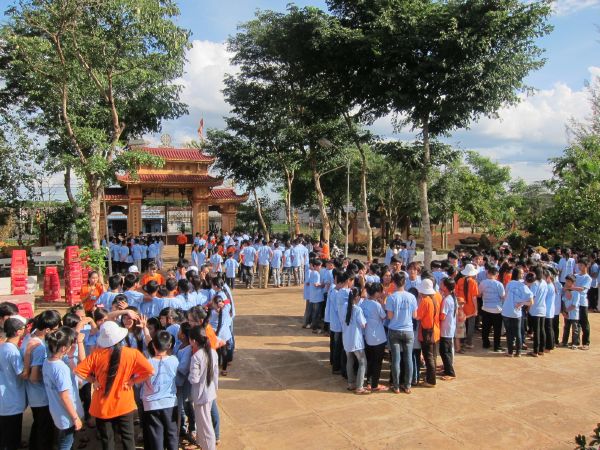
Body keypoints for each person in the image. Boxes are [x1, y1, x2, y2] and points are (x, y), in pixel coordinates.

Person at [75, 321, 154, 450]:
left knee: (107, 440)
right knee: (128, 438)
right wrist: (133, 381)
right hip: (124, 402)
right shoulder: (132, 353)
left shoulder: (96, 355)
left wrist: (93, 380)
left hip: (102, 405)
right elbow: (150, 371)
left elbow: (79, 371)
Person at [42, 328, 83, 450]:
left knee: (64, 440)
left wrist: (70, 357)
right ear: (64, 348)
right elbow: (65, 396)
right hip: (67, 415)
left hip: (57, 411)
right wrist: (75, 418)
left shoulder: (47, 362)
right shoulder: (61, 368)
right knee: (66, 444)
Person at [141, 331, 179, 450]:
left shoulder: (147, 363)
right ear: (169, 345)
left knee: (156, 437)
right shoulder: (174, 360)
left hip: (151, 405)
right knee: (172, 435)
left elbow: (138, 383)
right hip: (170, 403)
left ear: (153, 345)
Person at [385, 272, 417, 394]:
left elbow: (389, 316)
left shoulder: (391, 297)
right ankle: (408, 385)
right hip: (408, 330)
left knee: (396, 359)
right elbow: (415, 315)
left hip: (394, 330)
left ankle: (396, 386)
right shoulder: (412, 297)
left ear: (394, 282)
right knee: (408, 358)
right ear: (405, 282)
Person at [188, 326, 219, 450]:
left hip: (201, 394)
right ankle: (203, 444)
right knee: (204, 423)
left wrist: (188, 375)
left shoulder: (196, 356)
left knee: (205, 425)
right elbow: (215, 373)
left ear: (194, 341)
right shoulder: (213, 352)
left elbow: (194, 379)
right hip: (210, 392)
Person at [0, 317, 28, 450]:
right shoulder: (12, 351)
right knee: (12, 435)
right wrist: (29, 356)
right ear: (18, 332)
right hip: (12, 399)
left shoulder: (4, 347)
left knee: (5, 433)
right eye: (24, 327)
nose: (26, 329)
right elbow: (22, 374)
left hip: (6, 398)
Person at [360, 282, 387, 392]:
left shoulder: (363, 303)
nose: (381, 293)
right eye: (380, 292)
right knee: (377, 362)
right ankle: (374, 384)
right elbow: (384, 317)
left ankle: (369, 381)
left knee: (370, 360)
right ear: (376, 293)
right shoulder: (376, 305)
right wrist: (382, 303)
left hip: (367, 336)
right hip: (378, 337)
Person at [341, 287, 368, 394]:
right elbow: (363, 324)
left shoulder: (344, 306)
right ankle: (360, 387)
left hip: (346, 339)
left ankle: (351, 384)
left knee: (349, 360)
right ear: (357, 297)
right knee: (362, 362)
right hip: (356, 340)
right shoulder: (357, 309)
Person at [502, 269, 534, 357]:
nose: (523, 274)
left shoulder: (509, 283)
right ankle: (518, 352)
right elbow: (531, 302)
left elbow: (505, 296)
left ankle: (510, 352)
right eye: (522, 273)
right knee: (518, 333)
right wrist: (522, 303)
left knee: (509, 333)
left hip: (506, 311)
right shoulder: (523, 286)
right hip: (516, 312)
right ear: (519, 275)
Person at [416, 279, 441, 387]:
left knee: (428, 356)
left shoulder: (425, 301)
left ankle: (431, 380)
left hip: (427, 332)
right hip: (435, 330)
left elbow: (418, 316)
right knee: (433, 356)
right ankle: (431, 377)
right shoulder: (435, 298)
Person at [478, 266, 505, 352]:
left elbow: (479, 294)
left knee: (485, 328)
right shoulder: (499, 284)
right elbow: (503, 296)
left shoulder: (482, 283)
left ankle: (485, 343)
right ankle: (497, 346)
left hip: (485, 308)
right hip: (497, 309)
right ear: (497, 274)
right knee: (497, 329)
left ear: (488, 273)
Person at [456, 264, 479, 350]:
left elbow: (456, 294)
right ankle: (469, 342)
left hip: (461, 306)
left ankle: (461, 341)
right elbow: (474, 298)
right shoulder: (473, 282)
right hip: (471, 307)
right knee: (470, 326)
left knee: (462, 325)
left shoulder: (459, 281)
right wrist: (476, 309)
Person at [439, 277, 457, 380]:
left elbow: (442, 316)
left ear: (445, 287)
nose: (440, 285)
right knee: (446, 351)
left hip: (446, 329)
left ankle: (450, 373)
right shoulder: (451, 298)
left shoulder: (447, 300)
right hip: (449, 328)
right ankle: (447, 369)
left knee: (445, 351)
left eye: (442, 284)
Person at [528, 266, 548, 357]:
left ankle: (535, 351)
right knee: (542, 329)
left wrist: (528, 307)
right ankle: (541, 349)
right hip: (542, 308)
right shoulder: (544, 282)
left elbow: (532, 297)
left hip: (535, 309)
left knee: (536, 331)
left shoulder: (535, 284)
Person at [561, 275, 581, 348]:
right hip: (567, 314)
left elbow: (574, 305)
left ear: (573, 283)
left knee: (575, 329)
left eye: (569, 281)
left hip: (574, 314)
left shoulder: (576, 293)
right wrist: (564, 311)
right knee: (566, 328)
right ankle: (564, 342)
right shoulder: (566, 292)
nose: (567, 283)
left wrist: (566, 311)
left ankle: (575, 343)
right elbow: (563, 301)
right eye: (566, 281)